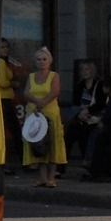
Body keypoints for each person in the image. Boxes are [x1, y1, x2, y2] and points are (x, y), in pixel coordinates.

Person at [21, 46, 66, 187]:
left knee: (52, 144)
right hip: (34, 114)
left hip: (50, 113)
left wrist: (41, 104)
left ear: (49, 61)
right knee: (37, 144)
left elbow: (54, 92)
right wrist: (37, 103)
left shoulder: (54, 76)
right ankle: (42, 178)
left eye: (44, 59)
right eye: (39, 59)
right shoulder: (31, 76)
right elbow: (26, 92)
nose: (41, 62)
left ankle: (51, 177)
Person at [62, 59, 106, 167]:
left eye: (87, 69)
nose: (84, 72)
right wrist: (80, 114)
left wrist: (87, 111)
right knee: (67, 137)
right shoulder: (80, 86)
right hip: (80, 116)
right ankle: (60, 167)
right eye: (82, 70)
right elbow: (76, 103)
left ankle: (88, 163)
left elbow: (101, 103)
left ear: (92, 71)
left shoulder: (99, 84)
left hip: (94, 117)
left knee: (85, 135)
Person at [0, 37, 22, 175]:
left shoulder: (3, 62)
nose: (6, 50)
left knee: (9, 131)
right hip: (4, 100)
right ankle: (24, 162)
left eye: (7, 47)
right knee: (15, 131)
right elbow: (3, 83)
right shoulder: (0, 62)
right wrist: (13, 83)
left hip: (3, 99)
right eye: (2, 47)